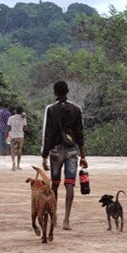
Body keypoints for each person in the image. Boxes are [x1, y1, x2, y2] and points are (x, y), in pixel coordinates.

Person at [41, 80, 87, 231]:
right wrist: (83, 156)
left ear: (55, 92)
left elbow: (47, 133)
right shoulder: (76, 109)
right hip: (72, 151)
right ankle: (66, 219)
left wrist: (44, 155)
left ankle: (54, 216)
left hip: (55, 151)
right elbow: (80, 134)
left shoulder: (51, 109)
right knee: (70, 184)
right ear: (67, 91)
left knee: (54, 184)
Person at [7, 106, 27, 171]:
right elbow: (25, 128)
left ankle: (13, 162)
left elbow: (8, 128)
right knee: (19, 151)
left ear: (15, 111)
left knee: (12, 150)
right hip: (21, 136)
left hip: (13, 136)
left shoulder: (11, 118)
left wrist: (7, 134)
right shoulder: (23, 118)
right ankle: (18, 165)